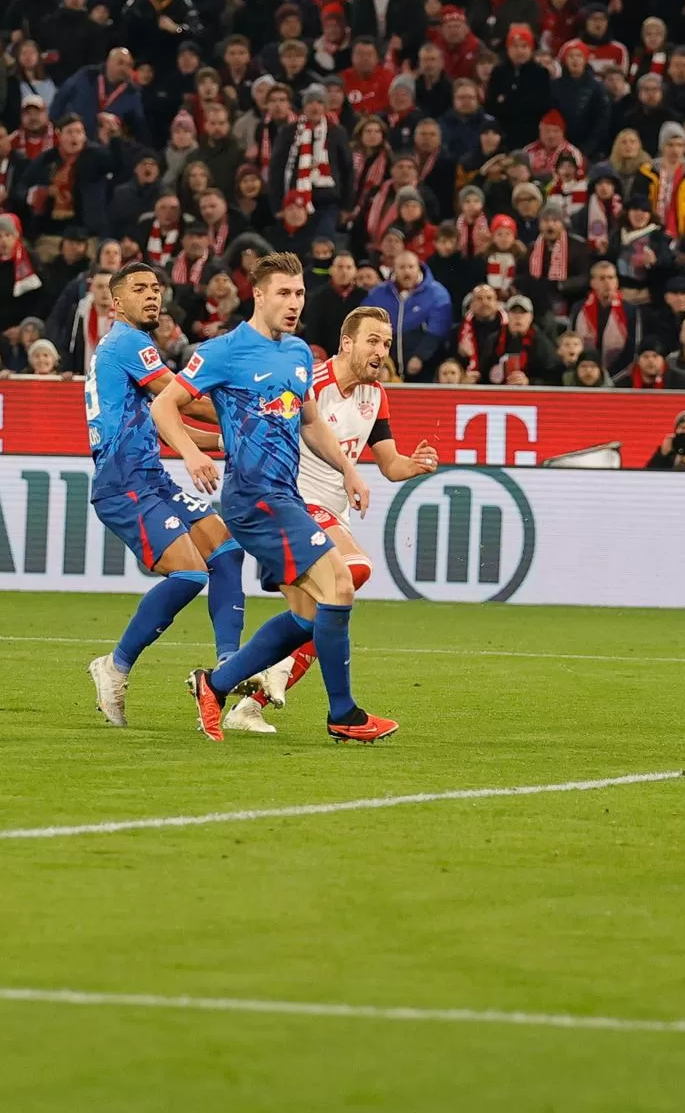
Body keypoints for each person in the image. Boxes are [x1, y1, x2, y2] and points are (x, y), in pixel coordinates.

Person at [151, 253, 399, 744]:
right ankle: (343, 715)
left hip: (282, 496)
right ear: (258, 295)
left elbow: (310, 422)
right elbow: (164, 405)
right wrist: (190, 454)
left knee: (308, 617)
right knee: (341, 585)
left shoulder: (299, 354)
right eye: (283, 293)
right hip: (252, 498)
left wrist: (349, 468)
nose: (293, 302)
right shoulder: (223, 351)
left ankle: (214, 684)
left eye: (300, 293)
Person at [250, 306, 440, 717]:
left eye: (386, 343)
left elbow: (390, 465)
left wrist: (415, 464)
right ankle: (296, 682)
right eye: (372, 340)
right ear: (347, 342)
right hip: (295, 503)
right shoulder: (310, 383)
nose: (381, 350)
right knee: (354, 571)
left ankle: (247, 701)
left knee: (320, 615)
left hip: (333, 512)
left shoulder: (377, 396)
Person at [82, 263, 247, 727]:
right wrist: (247, 418)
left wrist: (224, 441)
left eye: (156, 288)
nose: (152, 296)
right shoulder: (127, 342)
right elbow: (184, 400)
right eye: (139, 289)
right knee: (191, 573)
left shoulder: (131, 347)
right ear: (116, 304)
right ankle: (114, 666)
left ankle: (229, 666)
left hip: (150, 477)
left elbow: (164, 416)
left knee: (227, 551)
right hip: (123, 483)